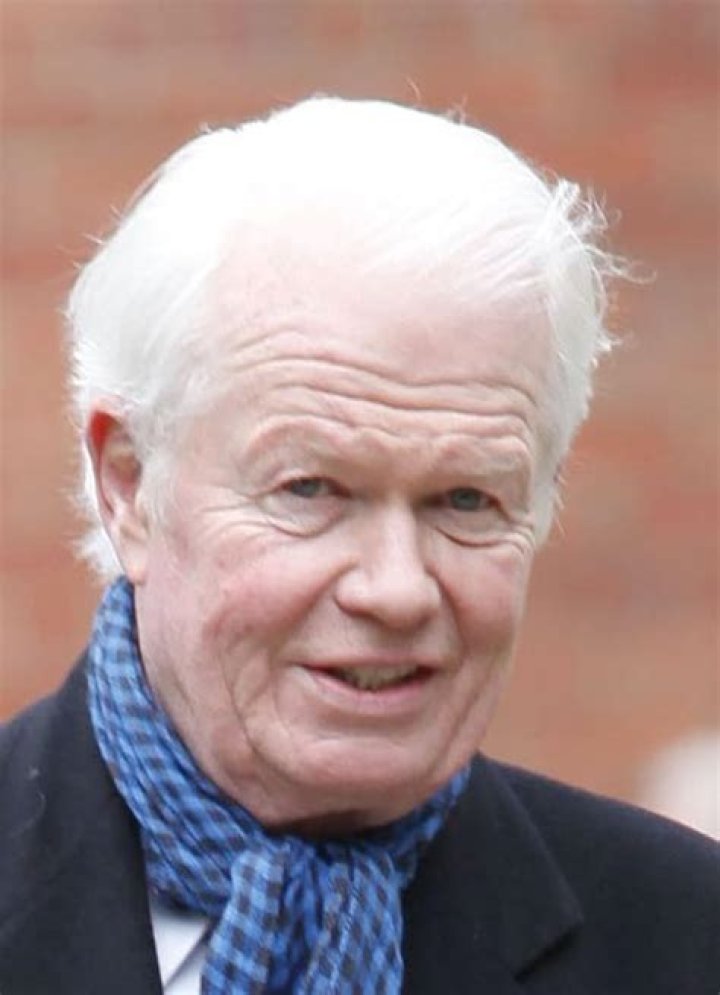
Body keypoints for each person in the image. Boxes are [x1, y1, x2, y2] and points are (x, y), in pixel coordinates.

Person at [0, 97, 717, 995]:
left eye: (465, 499)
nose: (397, 588)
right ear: (130, 484)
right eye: (312, 489)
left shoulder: (684, 940)